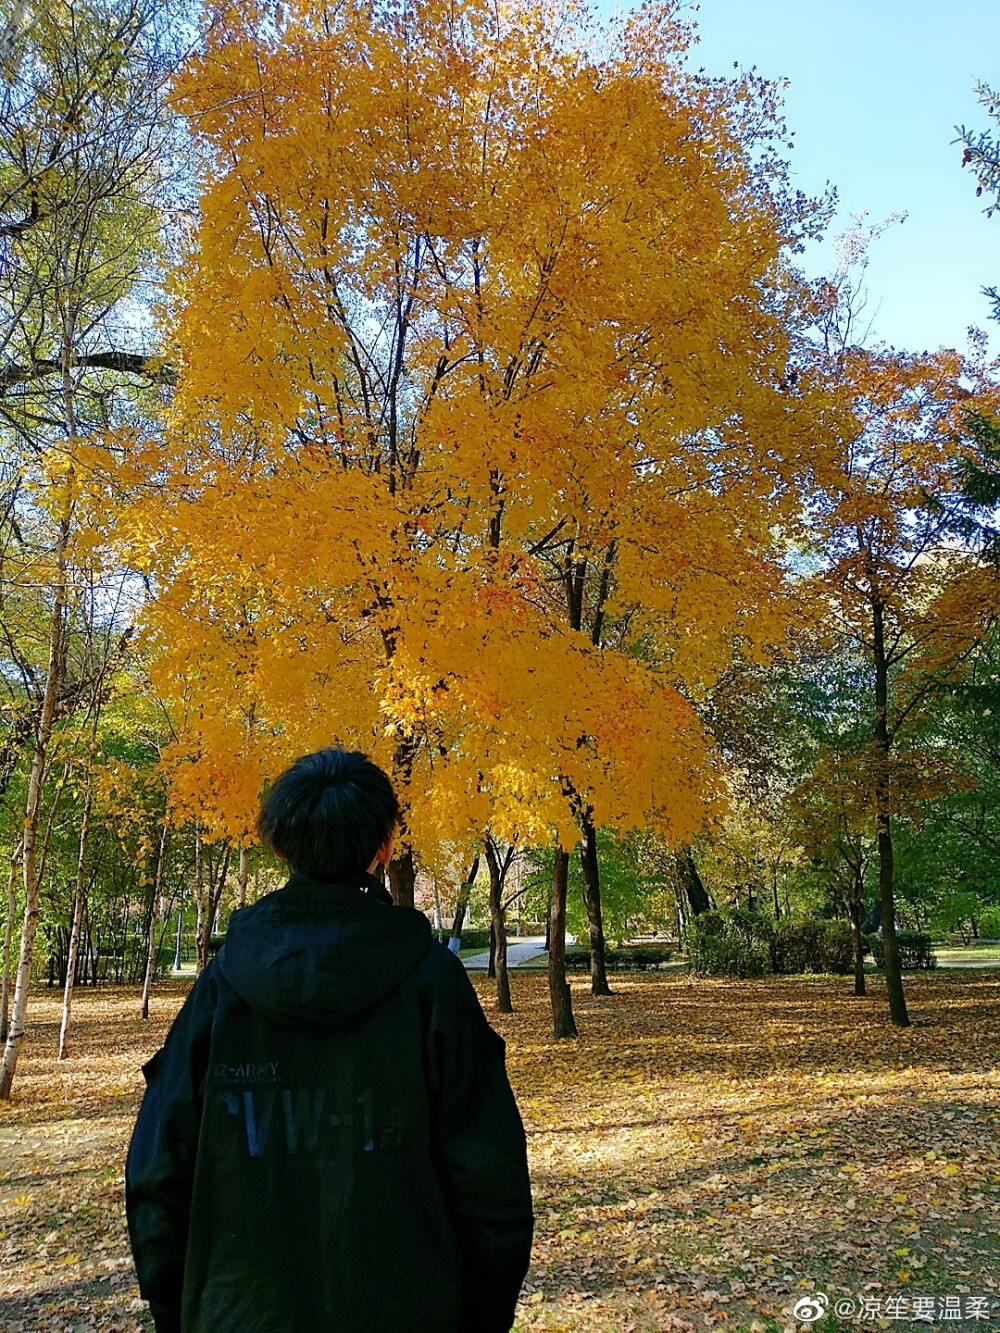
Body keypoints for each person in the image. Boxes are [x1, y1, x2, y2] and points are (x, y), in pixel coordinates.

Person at [126, 748, 533, 1333]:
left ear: (281, 848)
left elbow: (158, 1167)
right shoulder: (432, 983)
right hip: (408, 1308)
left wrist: (175, 1307)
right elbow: (490, 1175)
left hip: (240, 1311)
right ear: (384, 849)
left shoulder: (223, 985)